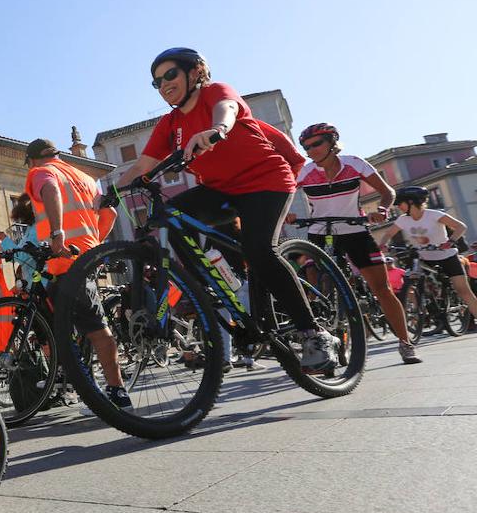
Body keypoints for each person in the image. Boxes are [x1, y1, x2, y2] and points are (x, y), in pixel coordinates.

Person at [121, 48, 341, 373]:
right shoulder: (170, 123)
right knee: (169, 215)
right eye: (156, 82)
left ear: (195, 72)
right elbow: (144, 164)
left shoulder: (215, 92)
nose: (164, 85)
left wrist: (217, 130)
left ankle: (315, 334)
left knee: (259, 250)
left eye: (170, 75)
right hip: (222, 190)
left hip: (266, 181)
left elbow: (228, 109)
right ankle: (212, 289)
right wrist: (109, 193)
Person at [290, 123, 422, 364]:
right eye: (306, 147)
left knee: (381, 289)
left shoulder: (355, 163)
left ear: (332, 142)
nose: (311, 151)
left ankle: (405, 343)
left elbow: (388, 192)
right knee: (314, 283)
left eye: (316, 144)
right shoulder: (305, 172)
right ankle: (324, 331)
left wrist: (382, 209)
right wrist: (285, 214)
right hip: (319, 231)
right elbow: (283, 196)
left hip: (355, 230)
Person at [23, 138, 131, 407]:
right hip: (87, 257)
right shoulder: (85, 176)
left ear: (32, 159)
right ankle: (86, 383)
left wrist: (57, 234)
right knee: (76, 322)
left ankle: (114, 392)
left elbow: (50, 190)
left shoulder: (41, 172)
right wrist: (94, 243)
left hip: (67, 260)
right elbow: (110, 213)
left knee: (94, 328)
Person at [377, 186, 477, 323]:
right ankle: (427, 307)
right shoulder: (402, 220)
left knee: (463, 291)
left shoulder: (434, 215)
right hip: (423, 257)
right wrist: (382, 245)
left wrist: (451, 241)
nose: (398, 207)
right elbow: (388, 234)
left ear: (411, 202)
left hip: (446, 256)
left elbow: (461, 226)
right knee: (411, 278)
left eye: (400, 203)